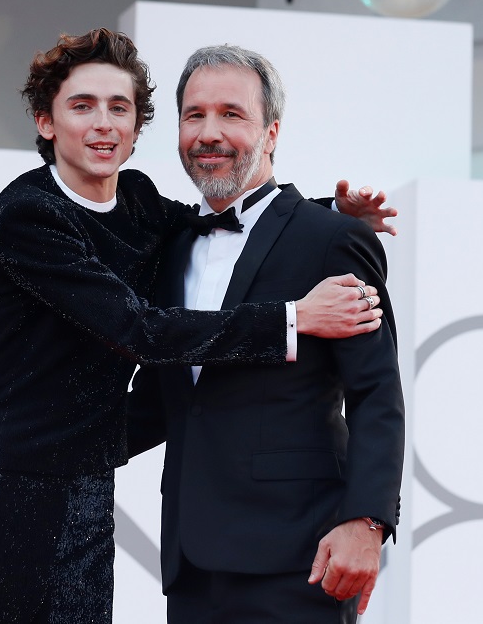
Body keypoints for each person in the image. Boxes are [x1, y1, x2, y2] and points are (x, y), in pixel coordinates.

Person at [0, 28, 394, 624]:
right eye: (81, 106)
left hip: (214, 531)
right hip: (38, 508)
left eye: (120, 108)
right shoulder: (30, 213)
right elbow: (143, 339)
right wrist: (291, 319)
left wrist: (329, 215)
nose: (103, 124)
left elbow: (373, 391)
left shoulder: (143, 207)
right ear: (46, 122)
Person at [123, 45, 405, 623]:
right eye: (194, 115)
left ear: (271, 132)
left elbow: (376, 394)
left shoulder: (332, 238)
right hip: (191, 564)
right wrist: (18, 450)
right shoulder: (170, 245)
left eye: (232, 114)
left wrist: (367, 522)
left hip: (299, 557)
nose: (209, 132)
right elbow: (156, 404)